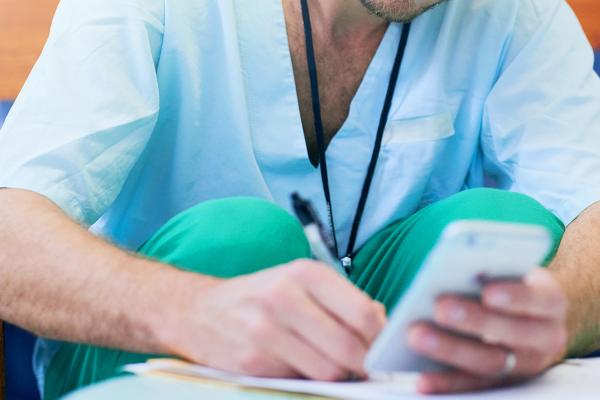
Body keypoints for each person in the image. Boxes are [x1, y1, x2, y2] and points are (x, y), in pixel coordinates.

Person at [0, 0, 599, 398]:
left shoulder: (521, 12)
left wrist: (564, 312)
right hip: (159, 350)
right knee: (239, 241)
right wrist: (194, 309)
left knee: (512, 233)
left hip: (392, 354)